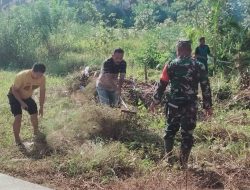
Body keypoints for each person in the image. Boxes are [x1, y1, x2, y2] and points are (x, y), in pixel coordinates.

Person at [150, 40, 213, 169]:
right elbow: (205, 86)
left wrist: (155, 101)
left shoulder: (170, 65)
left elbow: (162, 84)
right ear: (190, 50)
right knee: (187, 133)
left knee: (170, 130)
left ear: (178, 50)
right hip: (190, 105)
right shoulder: (199, 65)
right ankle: (183, 164)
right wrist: (208, 105)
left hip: (174, 104)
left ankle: (168, 160)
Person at [8, 63, 46, 145]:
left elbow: (42, 92)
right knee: (18, 117)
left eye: (41, 75)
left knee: (34, 114)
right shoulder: (22, 75)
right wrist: (21, 103)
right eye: (37, 75)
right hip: (14, 96)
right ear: (32, 70)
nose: (39, 77)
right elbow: (14, 90)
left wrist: (41, 107)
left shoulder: (42, 78)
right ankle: (17, 139)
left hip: (27, 96)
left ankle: (36, 132)